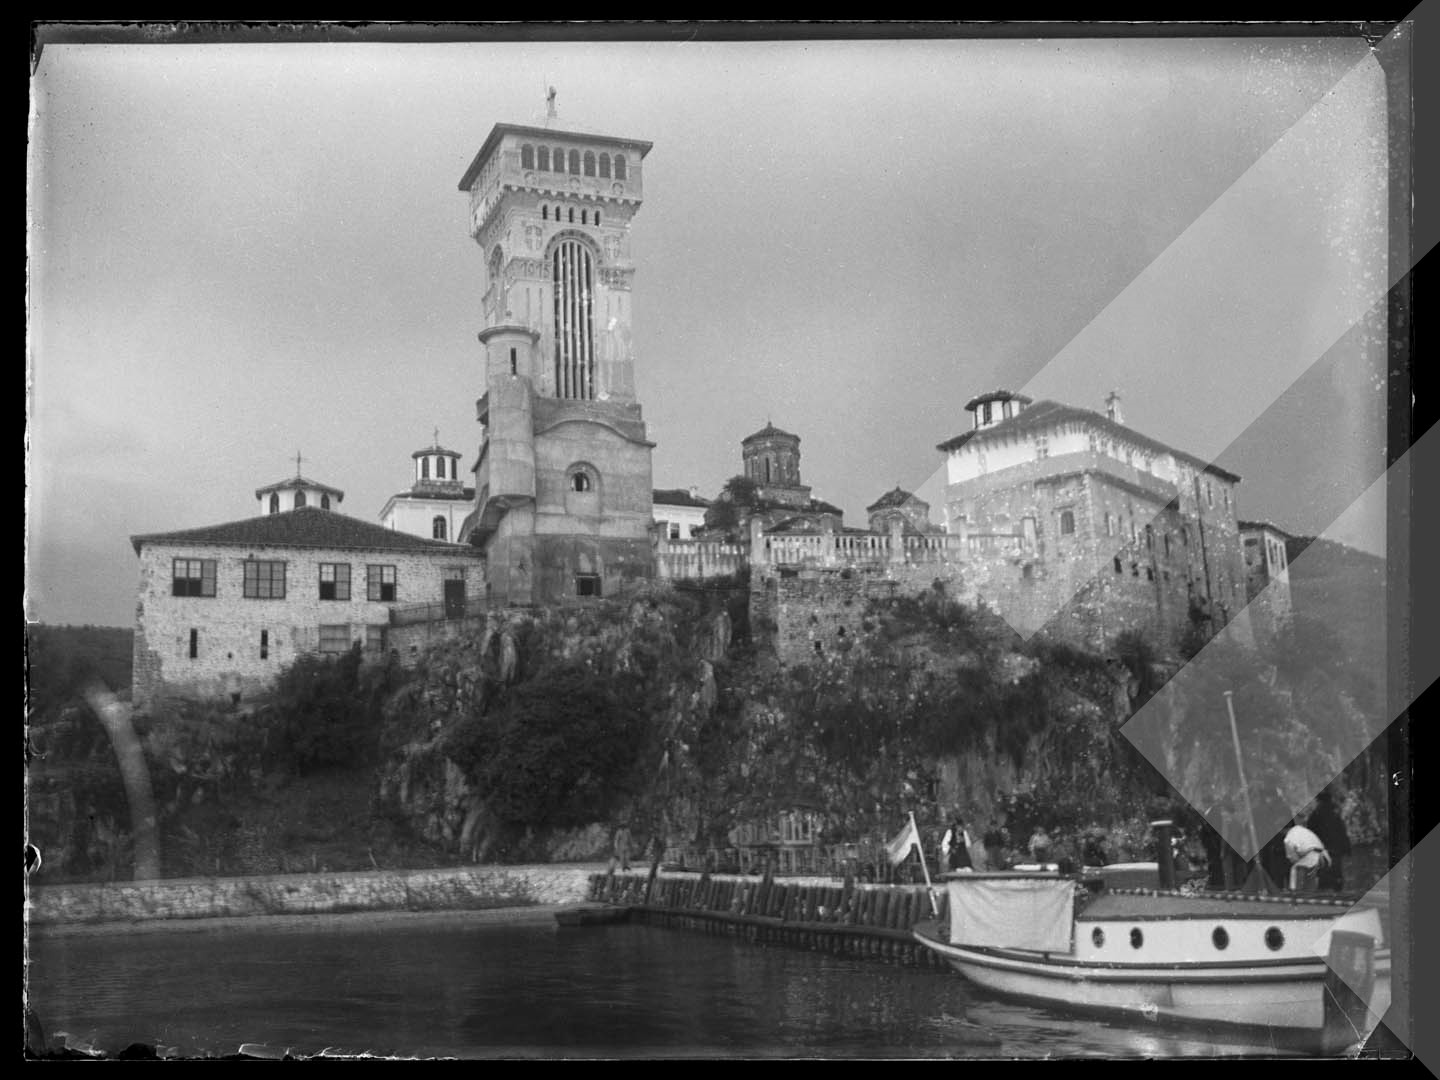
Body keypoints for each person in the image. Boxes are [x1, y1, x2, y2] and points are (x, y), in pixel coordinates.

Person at [1305, 790, 1351, 892]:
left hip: (1323, 849)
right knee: (1336, 873)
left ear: (1318, 800)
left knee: (1324, 874)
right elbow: (1342, 831)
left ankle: (1325, 892)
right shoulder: (1335, 812)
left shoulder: (1316, 814)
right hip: (1336, 849)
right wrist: (1346, 848)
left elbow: (1310, 832)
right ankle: (1337, 892)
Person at [1283, 819, 1331, 893]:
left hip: (1311, 858)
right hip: (1324, 856)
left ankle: (1297, 894)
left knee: (1297, 870)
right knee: (1310, 878)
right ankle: (1309, 894)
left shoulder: (1288, 838)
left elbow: (1293, 858)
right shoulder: (1304, 830)